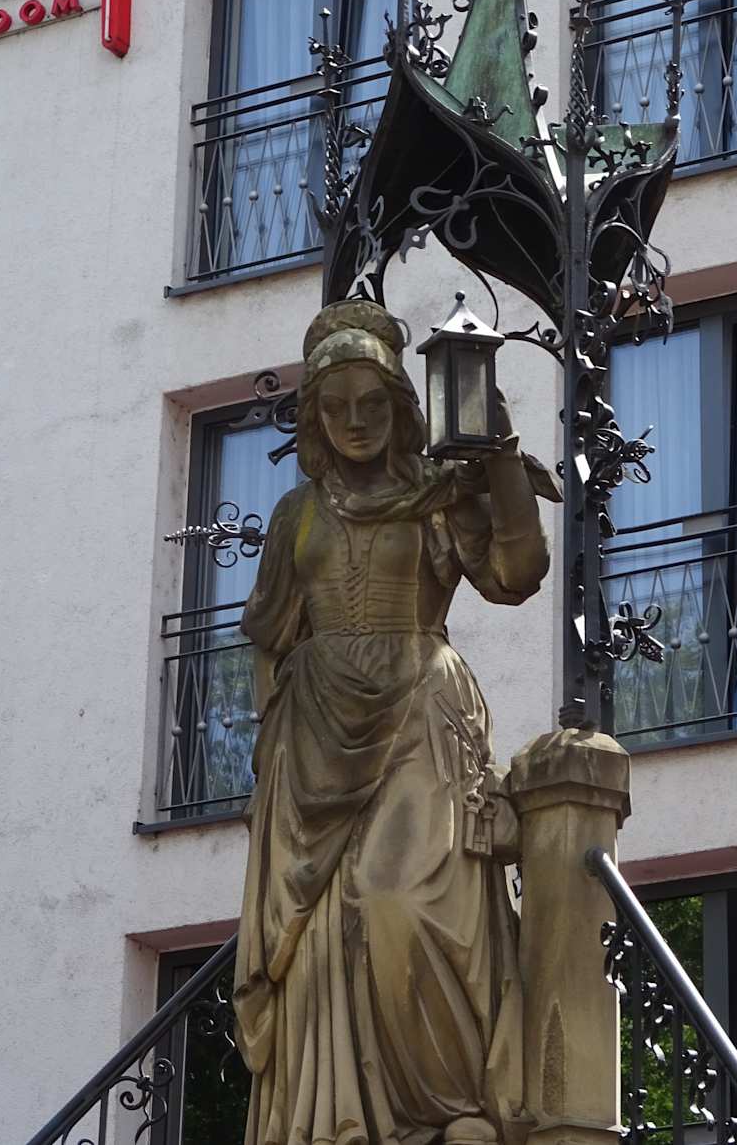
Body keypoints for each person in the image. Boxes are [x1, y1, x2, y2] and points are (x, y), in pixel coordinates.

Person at [232, 299, 559, 1145]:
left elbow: (517, 574)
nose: (355, 421)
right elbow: (268, 637)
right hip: (312, 734)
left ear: (402, 405)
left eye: (372, 403)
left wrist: (500, 458)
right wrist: (271, 744)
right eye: (336, 406)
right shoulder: (297, 515)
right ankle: (338, 1118)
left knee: (397, 903)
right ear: (314, 415)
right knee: (320, 939)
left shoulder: (437, 494)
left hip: (419, 709)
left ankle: (447, 1110)